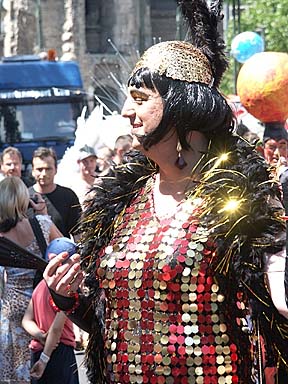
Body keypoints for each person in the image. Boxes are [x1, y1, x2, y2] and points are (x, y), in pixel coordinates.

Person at [43, 1, 288, 383]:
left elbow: (275, 309)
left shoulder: (242, 198)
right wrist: (68, 294)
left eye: (141, 99)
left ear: (181, 107)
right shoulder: (121, 204)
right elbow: (112, 318)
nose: (126, 111)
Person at [0, 176, 62, 383]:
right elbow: (64, 251)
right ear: (24, 199)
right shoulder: (42, 225)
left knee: (14, 371)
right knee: (41, 367)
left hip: (11, 309)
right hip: (41, 308)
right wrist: (43, 213)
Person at [22, 278, 79, 384]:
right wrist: (44, 359)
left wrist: (41, 336)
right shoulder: (64, 288)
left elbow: (26, 320)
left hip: (38, 351)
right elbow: (57, 329)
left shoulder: (40, 286)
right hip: (58, 353)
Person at [29, 147, 81, 239]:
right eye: (39, 169)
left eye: (48, 169)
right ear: (33, 171)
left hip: (62, 252)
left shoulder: (68, 196)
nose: (44, 173)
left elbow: (78, 233)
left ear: (56, 170)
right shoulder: (24, 197)